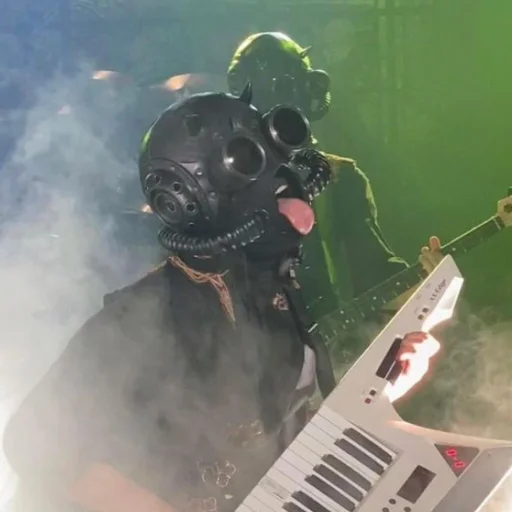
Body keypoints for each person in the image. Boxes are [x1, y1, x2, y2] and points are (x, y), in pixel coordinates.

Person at [3, 91, 440, 512]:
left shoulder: (271, 294)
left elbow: (279, 433)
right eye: (249, 161)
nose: (281, 179)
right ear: (184, 197)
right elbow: (36, 443)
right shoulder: (143, 315)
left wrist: (382, 385)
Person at [227, 32, 442, 322]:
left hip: (328, 343)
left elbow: (372, 271)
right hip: (251, 345)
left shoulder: (340, 178)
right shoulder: (222, 186)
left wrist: (425, 285)